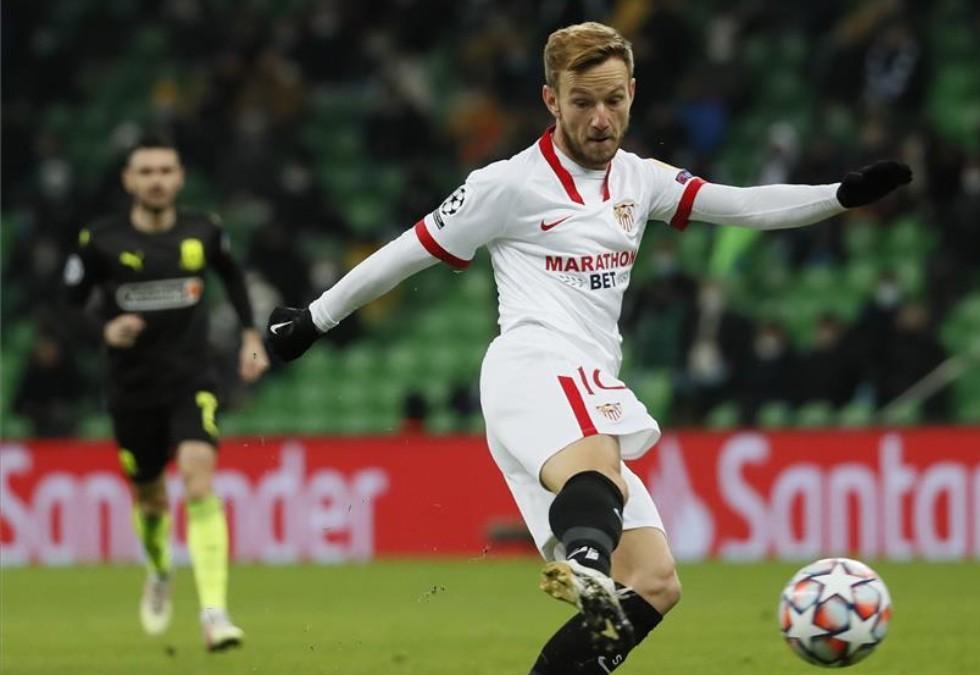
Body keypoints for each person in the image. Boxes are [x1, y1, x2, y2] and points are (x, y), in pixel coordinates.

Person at [266, 22, 909, 673]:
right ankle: (589, 568)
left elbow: (741, 205)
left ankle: (587, 587)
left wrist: (839, 196)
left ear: (632, 91)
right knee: (599, 467)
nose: (601, 119)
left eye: (614, 100)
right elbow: (406, 252)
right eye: (582, 102)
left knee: (657, 583)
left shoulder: (639, 178)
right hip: (533, 367)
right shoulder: (506, 185)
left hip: (579, 384)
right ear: (552, 100)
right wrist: (312, 321)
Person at [63, 135, 269, 650]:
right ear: (129, 180)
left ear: (179, 178)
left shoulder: (204, 230)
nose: (156, 180)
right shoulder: (100, 240)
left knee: (199, 484)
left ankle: (214, 615)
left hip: (191, 378)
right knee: (151, 500)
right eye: (146, 171)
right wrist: (103, 331)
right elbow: (68, 305)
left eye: (165, 170)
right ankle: (159, 571)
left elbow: (232, 276)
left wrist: (249, 335)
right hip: (132, 388)